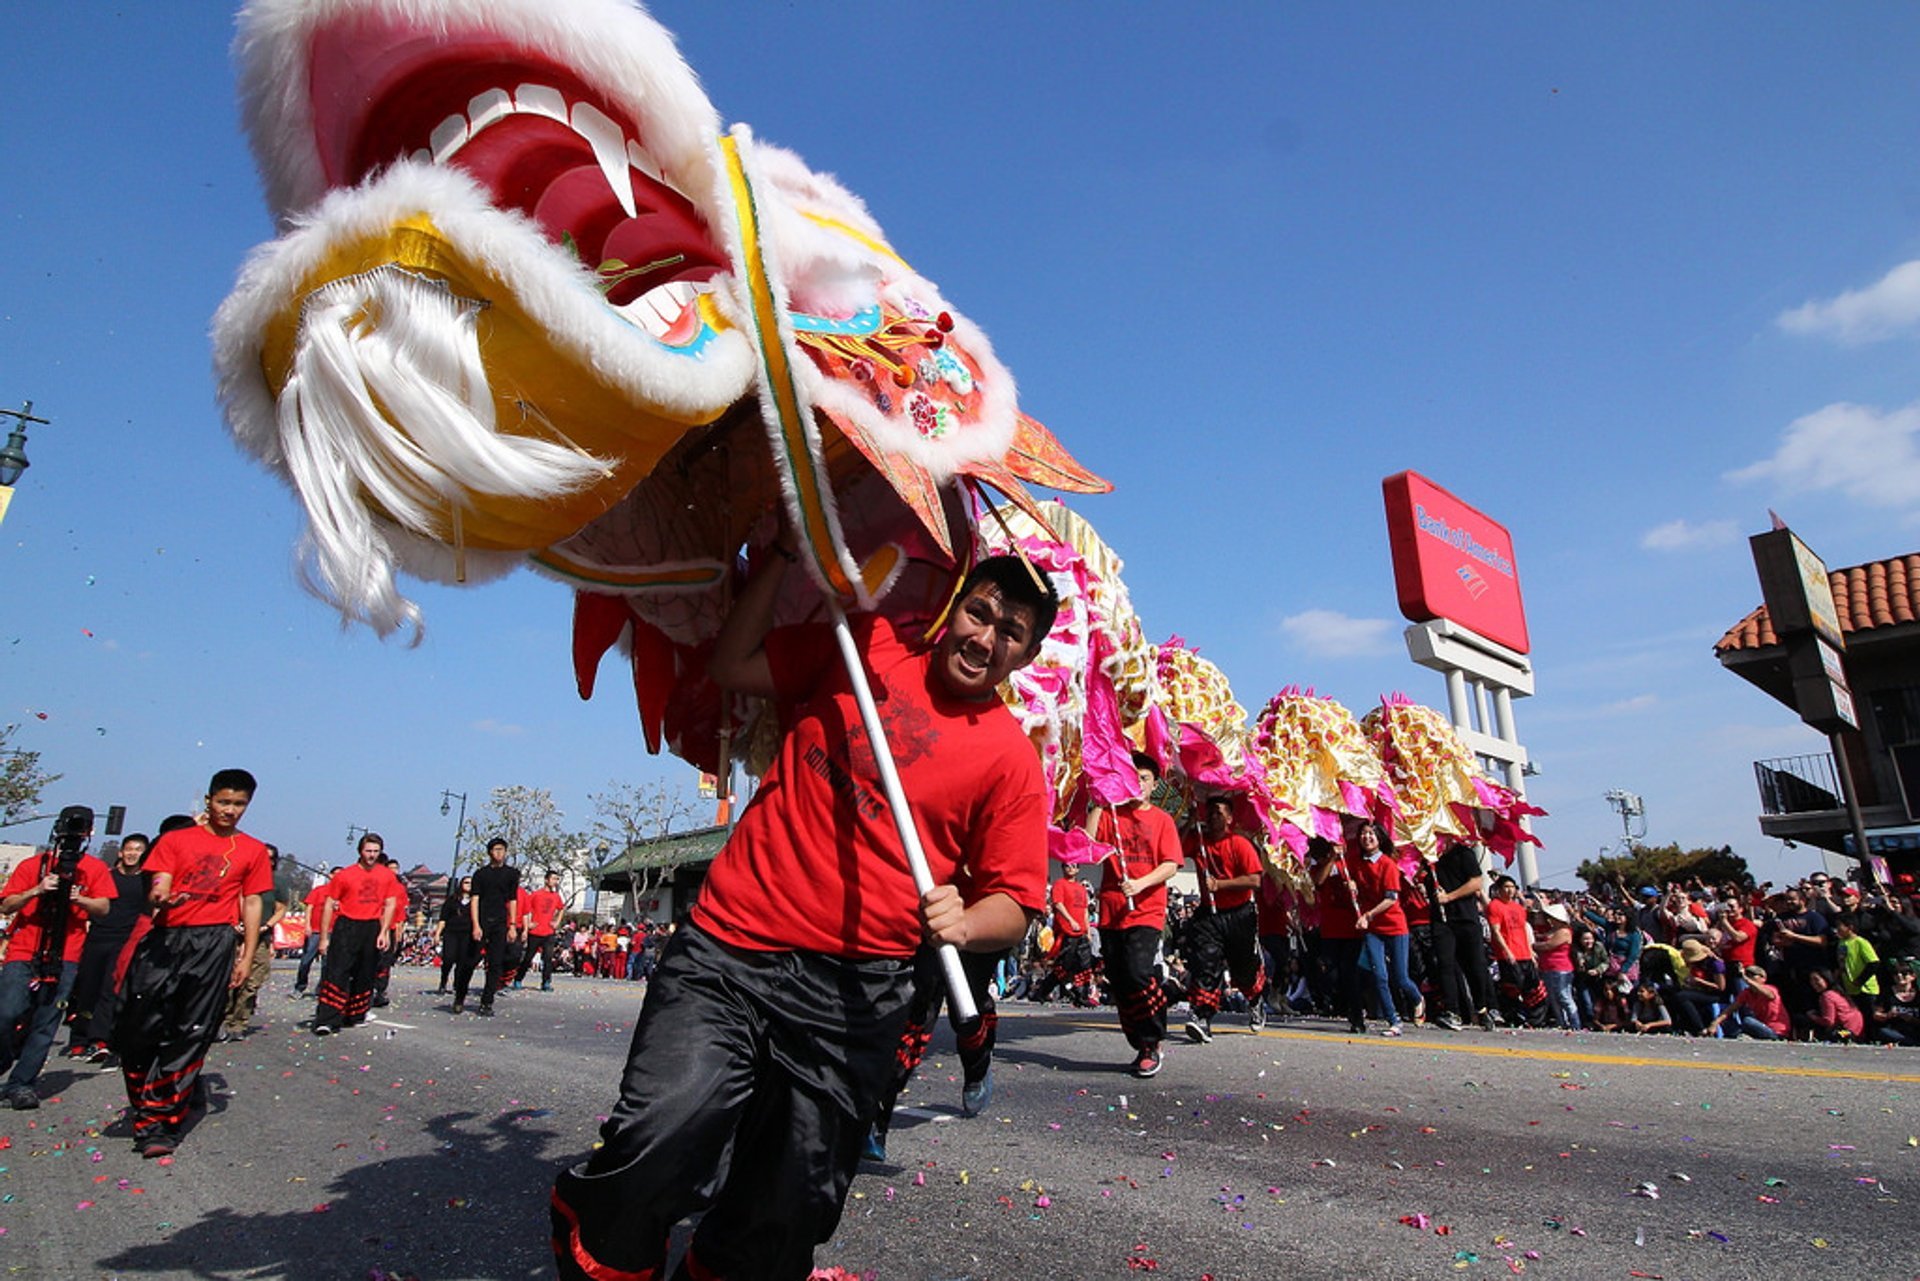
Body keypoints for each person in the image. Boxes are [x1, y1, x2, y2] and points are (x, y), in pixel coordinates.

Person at [551, 549, 1054, 1281]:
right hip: (729, 947)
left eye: (1010, 630)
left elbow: (1016, 902)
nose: (985, 636)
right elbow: (733, 663)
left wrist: (969, 919)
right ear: (953, 606)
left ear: (1028, 655)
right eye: (978, 611)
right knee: (664, 1132)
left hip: (854, 996)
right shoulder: (866, 643)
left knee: (786, 1208)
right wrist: (781, 564)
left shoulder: (1011, 757)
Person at [115, 769, 272, 1156]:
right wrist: (162, 898)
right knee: (138, 1030)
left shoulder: (251, 850)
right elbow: (158, 885)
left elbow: (252, 903)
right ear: (208, 800)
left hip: (214, 943)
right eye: (224, 802)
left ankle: (160, 1123)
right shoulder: (175, 840)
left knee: (191, 1031)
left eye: (239, 805)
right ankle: (146, 1102)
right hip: (166, 940)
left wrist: (245, 955)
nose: (230, 811)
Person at [0, 808, 115, 1108]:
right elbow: (7, 905)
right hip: (24, 951)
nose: (75, 834)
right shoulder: (33, 865)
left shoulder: (95, 868)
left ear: (90, 832)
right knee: (7, 1012)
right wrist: (37, 890)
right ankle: (7, 1054)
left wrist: (80, 897)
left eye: (82, 828)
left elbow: (103, 908)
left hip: (66, 956)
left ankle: (22, 1083)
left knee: (46, 1021)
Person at [1090, 752, 1185, 1076]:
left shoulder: (1162, 820)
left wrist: (1141, 883)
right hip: (1111, 910)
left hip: (1146, 909)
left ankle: (1151, 1041)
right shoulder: (1112, 816)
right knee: (1119, 981)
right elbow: (1089, 846)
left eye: (1144, 778)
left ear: (1155, 784)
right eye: (1133, 776)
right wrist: (1099, 802)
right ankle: (1143, 1031)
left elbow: (1171, 864)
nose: (1138, 783)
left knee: (1137, 971)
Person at [1182, 795, 1268, 1042]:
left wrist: (1220, 884)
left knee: (1243, 968)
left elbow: (1254, 880)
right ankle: (1202, 1016)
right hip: (1209, 914)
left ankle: (1255, 999)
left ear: (1230, 818)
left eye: (1219, 812)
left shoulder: (1239, 843)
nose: (1212, 816)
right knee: (1205, 963)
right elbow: (1173, 851)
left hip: (1239, 913)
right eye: (1209, 812)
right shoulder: (1197, 840)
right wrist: (1189, 822)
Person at [64, 832, 151, 1064]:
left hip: (125, 941)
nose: (133, 854)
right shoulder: (106, 876)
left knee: (109, 990)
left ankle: (100, 1040)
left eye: (138, 850)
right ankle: (78, 1039)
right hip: (97, 937)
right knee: (86, 989)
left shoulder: (146, 882)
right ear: (121, 852)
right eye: (129, 849)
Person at [311, 834, 401, 1035]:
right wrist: (324, 937)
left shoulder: (387, 876)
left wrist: (384, 932)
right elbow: (328, 904)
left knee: (365, 973)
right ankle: (327, 1019)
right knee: (337, 972)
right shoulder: (345, 875)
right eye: (368, 851)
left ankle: (356, 1013)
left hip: (371, 926)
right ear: (360, 851)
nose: (371, 855)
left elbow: (390, 904)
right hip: (347, 925)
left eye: (375, 852)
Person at [1352, 821, 1419, 1036]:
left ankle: (1417, 998)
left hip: (1394, 926)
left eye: (1371, 834)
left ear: (1379, 838)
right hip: (1373, 930)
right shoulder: (1358, 864)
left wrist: (1368, 915)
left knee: (1400, 978)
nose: (1367, 837)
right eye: (1363, 834)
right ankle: (1393, 1020)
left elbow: (1391, 898)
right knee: (1379, 976)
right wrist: (1351, 887)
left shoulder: (1388, 864)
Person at [221, 844, 287, 1040]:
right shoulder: (240, 877)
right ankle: (222, 1019)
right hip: (234, 934)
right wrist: (234, 923)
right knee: (228, 979)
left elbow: (281, 909)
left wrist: (266, 926)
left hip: (260, 937)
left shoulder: (277, 882)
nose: (266, 862)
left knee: (251, 982)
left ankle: (239, 1022)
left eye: (270, 858)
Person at [1432, 842, 1494, 1029]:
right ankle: (1452, 1011)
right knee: (1445, 963)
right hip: (1441, 919)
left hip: (1466, 917)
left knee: (1475, 965)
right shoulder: (1430, 857)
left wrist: (1449, 897)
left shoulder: (1464, 853)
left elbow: (1476, 882)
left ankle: (1482, 1008)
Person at [468, 838, 520, 1016]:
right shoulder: (481, 874)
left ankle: (487, 1001)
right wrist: (476, 924)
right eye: (496, 849)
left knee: (495, 963)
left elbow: (512, 900)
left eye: (502, 850)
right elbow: (474, 900)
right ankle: (460, 993)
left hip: (500, 921)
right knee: (471, 959)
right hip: (482, 919)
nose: (499, 853)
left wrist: (512, 925)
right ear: (490, 852)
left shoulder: (512, 874)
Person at [1033, 863, 1095, 1007]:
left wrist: (1087, 930)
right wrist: (1070, 920)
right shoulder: (1059, 884)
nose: (1070, 868)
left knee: (1084, 965)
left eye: (1073, 866)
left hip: (1081, 931)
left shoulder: (1081, 888)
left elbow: (1085, 910)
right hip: (1066, 930)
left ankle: (1082, 995)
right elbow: (1058, 904)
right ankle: (1043, 990)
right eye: (1067, 866)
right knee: (1064, 965)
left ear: (1078, 869)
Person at [1533, 900, 1580, 1031]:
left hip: (1561, 968)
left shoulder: (1564, 931)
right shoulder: (1552, 930)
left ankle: (1575, 1023)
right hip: (1547, 967)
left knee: (1564, 996)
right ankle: (1562, 1022)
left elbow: (1549, 945)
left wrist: (1533, 945)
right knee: (1552, 997)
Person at [1708, 965, 1789, 1040]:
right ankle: (1736, 1035)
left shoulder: (1771, 989)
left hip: (1776, 1031)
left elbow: (1768, 994)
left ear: (1763, 978)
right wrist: (1714, 1024)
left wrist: (1746, 979)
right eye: (1748, 974)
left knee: (1748, 1020)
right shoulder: (1746, 993)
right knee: (1726, 1020)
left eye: (1752, 975)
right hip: (1761, 1027)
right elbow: (1730, 1010)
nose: (1749, 977)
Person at [292, 868, 337, 997]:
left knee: (327, 963)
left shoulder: (343, 893)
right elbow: (309, 907)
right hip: (316, 931)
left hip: (332, 932)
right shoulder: (319, 891)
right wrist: (307, 925)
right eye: (336, 874)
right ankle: (300, 986)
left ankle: (322, 988)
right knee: (306, 960)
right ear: (330, 875)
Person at [524, 871, 567, 991]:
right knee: (528, 957)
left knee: (548, 958)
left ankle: (546, 982)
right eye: (553, 879)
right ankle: (518, 978)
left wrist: (557, 921)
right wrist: (528, 924)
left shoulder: (556, 897)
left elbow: (561, 909)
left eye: (557, 879)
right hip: (535, 931)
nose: (555, 882)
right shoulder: (536, 895)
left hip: (549, 931)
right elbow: (525, 909)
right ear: (546, 880)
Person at [435, 876, 475, 994]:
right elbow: (443, 919)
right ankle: (443, 981)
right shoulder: (452, 900)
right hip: (451, 933)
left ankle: (458, 985)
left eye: (471, 883)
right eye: (466, 882)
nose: (469, 885)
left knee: (462, 960)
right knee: (448, 958)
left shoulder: (476, 901)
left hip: (467, 933)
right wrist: (437, 934)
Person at [1804, 968, 1863, 1041]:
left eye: (1816, 979)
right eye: (1811, 980)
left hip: (1845, 1033)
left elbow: (1829, 1021)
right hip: (1857, 1031)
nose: (1813, 983)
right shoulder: (1838, 992)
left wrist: (1813, 1017)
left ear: (1826, 978)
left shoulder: (1827, 996)